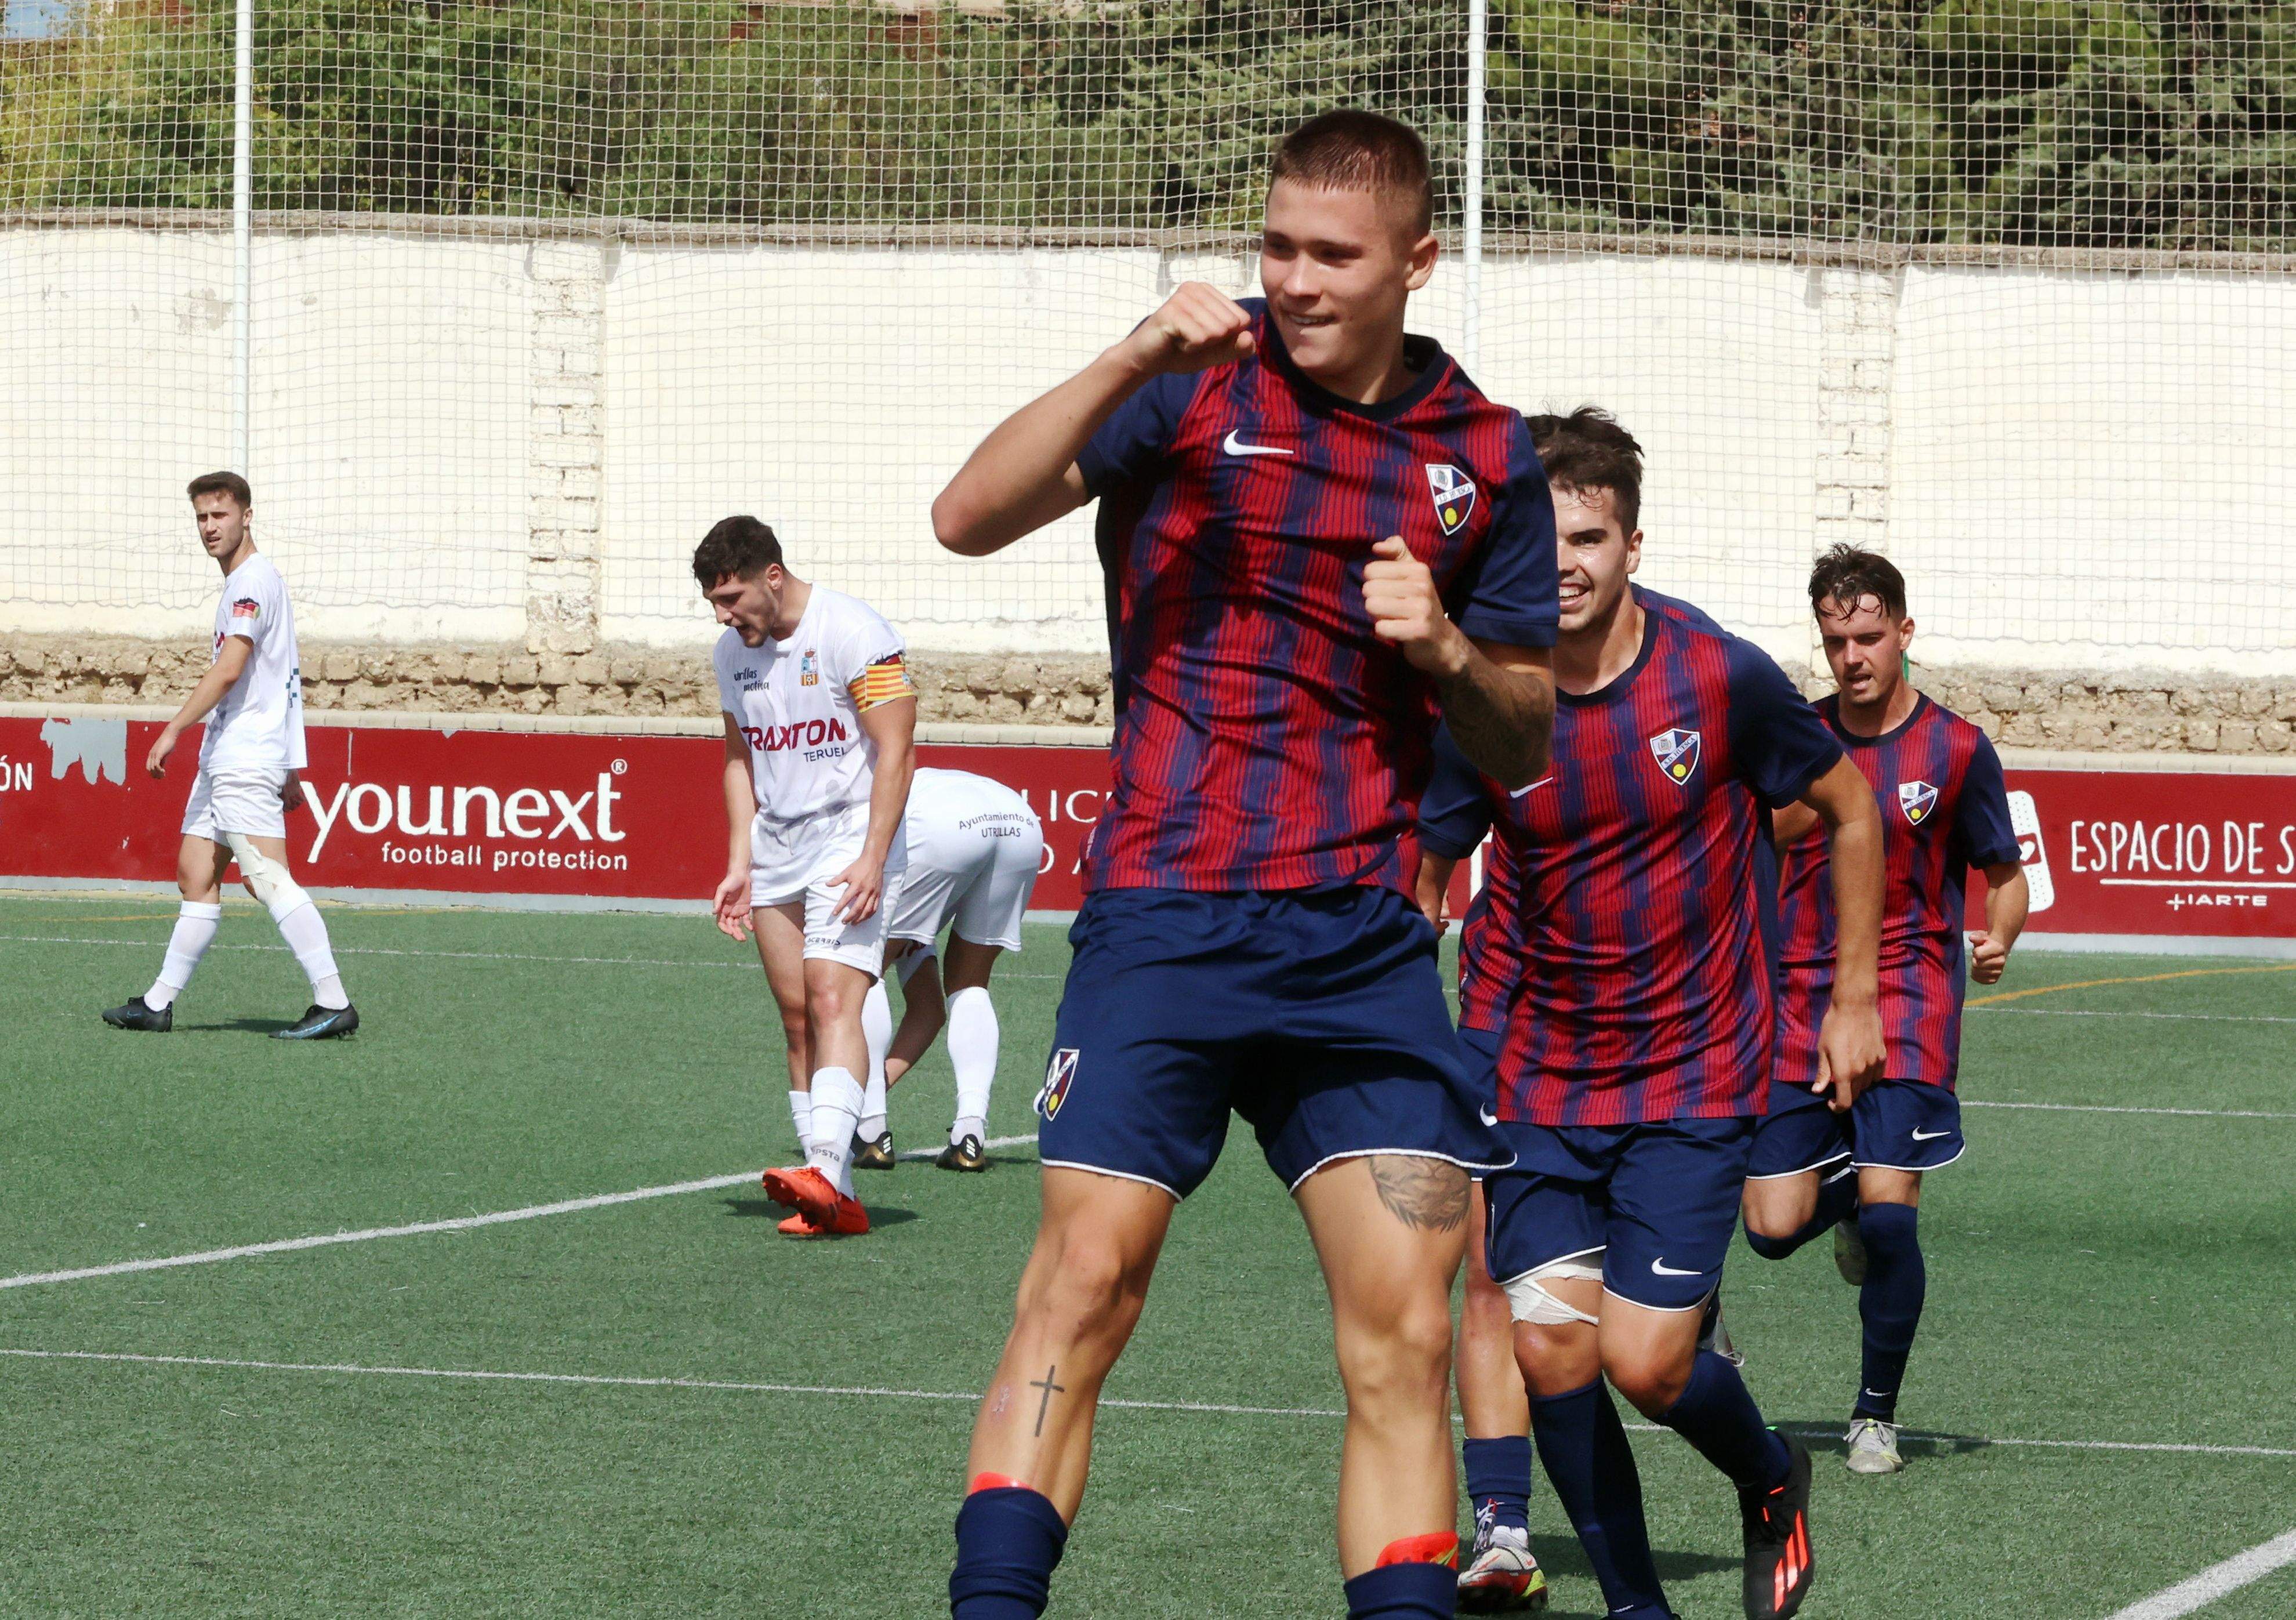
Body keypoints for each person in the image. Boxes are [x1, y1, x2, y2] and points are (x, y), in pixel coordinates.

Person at [930, 110, 1558, 1620]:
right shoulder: (1189, 389)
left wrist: (1447, 647)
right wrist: (1127, 355)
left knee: (1403, 1328)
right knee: (1081, 1289)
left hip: (1356, 949)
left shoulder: (1480, 460)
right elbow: (964, 517)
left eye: (1329, 255)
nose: (1291, 278)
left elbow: (1523, 735)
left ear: (1413, 261)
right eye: (1273, 244)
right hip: (1164, 915)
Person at [1421, 408, 1885, 1620]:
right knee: (1547, 1352)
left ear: (1632, 543)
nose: (1563, 559)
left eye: (1590, 535)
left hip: (1691, 1073)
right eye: (1543, 533)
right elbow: (1417, 874)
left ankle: (1770, 1470)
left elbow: (1848, 811)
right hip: (1529, 1069)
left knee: (1644, 1360)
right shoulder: (1480, 688)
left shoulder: (1712, 673)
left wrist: (1848, 998)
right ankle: (1637, 1607)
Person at [1742, 545, 2027, 1474]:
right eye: (1834, 641)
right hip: (1798, 999)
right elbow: (1753, 836)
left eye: (1868, 636)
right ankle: (1852, 1214)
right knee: (1771, 1230)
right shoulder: (1798, 737)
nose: (1851, 656)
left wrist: (1996, 936)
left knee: (1896, 1215)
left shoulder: (1953, 748)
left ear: (1904, 631)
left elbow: (2006, 874)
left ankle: (1874, 1414)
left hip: (1907, 997)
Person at [698, 516, 916, 1240]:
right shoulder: (730, 654)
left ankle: (824, 1168)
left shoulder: (854, 630)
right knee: (796, 1019)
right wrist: (738, 861)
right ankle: (833, 1197)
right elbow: (739, 757)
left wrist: (873, 855)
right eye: (713, 604)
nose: (725, 616)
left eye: (732, 598)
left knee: (831, 999)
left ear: (773, 576)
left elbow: (897, 751)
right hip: (776, 848)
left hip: (848, 833)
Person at [103, 472, 357, 1041]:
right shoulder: (249, 582)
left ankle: (334, 1000)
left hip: (244, 756)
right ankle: (157, 1003)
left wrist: (171, 730)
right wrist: (291, 766)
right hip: (228, 755)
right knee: (196, 875)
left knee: (266, 879)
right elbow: (282, 680)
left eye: (220, 515)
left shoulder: (251, 584)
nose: (210, 527)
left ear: (247, 516)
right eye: (201, 517)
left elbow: (231, 669)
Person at [847, 766, 1045, 1173]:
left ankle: (870, 1132)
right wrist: (870, 1085)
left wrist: (857, 1099)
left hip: (942, 824)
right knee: (970, 984)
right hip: (1018, 818)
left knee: (861, 967)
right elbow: (928, 1010)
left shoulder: (841, 814)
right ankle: (969, 1135)